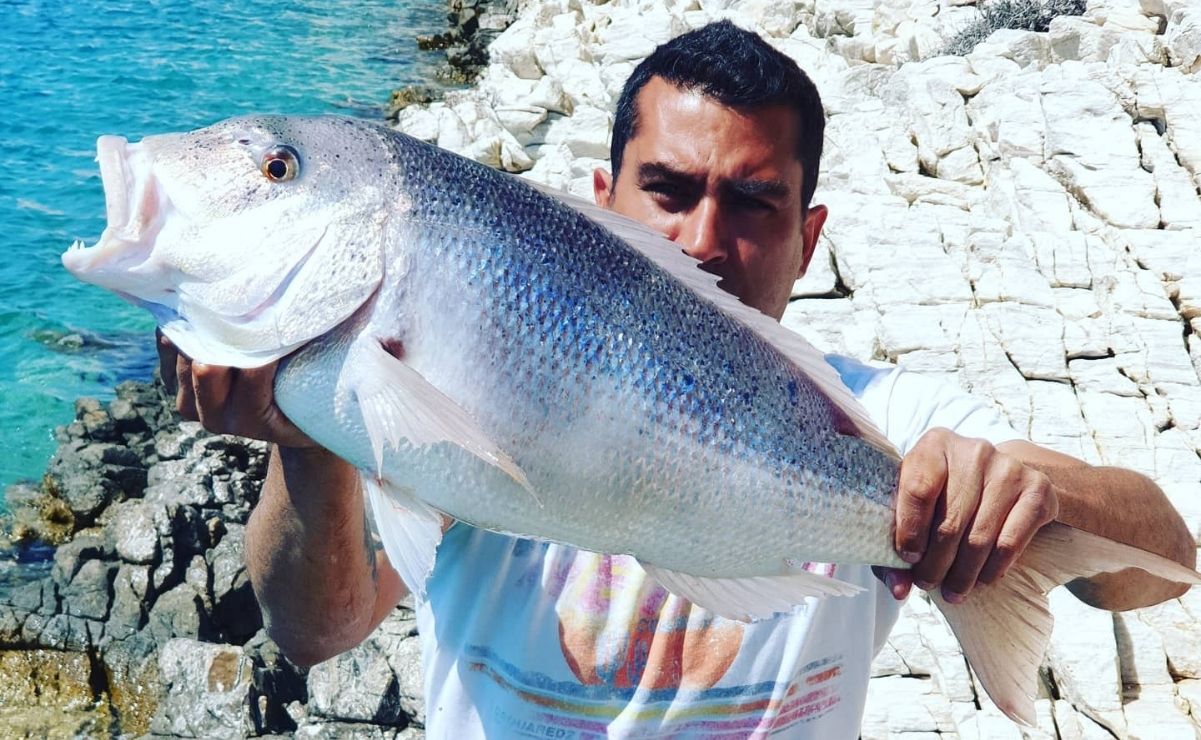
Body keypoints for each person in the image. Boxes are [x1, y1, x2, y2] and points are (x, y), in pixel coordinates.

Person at [160, 21, 1195, 738]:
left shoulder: (876, 427)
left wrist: (1030, 498)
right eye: (667, 190)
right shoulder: (462, 361)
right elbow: (318, 628)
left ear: (808, 235)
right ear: (600, 198)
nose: (705, 239)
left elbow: (1158, 564)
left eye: (753, 202)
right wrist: (311, 442)